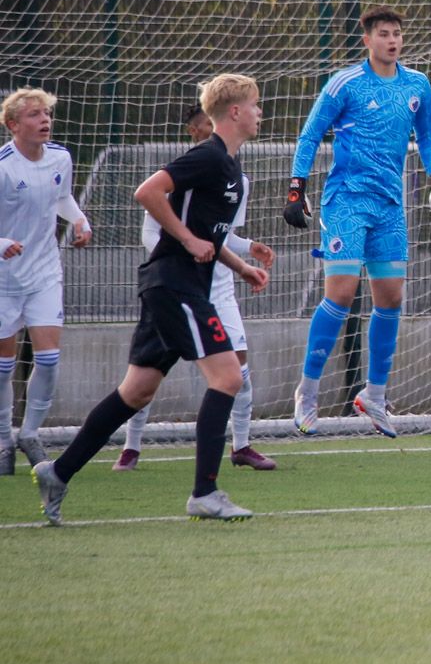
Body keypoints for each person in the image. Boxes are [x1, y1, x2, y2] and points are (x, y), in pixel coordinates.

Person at [33, 75, 269, 523]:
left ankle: (58, 473)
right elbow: (148, 192)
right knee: (228, 378)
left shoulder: (231, 168)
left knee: (136, 392)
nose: (261, 113)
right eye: (256, 105)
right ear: (234, 111)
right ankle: (205, 492)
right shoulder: (208, 157)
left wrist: (241, 267)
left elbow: (207, 235)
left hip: (175, 286)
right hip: (175, 285)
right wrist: (184, 238)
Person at [286, 7, 431, 437]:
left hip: (390, 207)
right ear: (368, 40)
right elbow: (309, 133)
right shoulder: (346, 83)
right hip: (346, 203)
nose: (392, 40)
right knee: (341, 293)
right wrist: (296, 188)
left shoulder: (418, 84)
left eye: (397, 33)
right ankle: (307, 392)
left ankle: (374, 395)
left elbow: (427, 134)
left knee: (391, 298)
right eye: (384, 34)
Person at [116, 108, 277, 472]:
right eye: (206, 124)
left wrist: (247, 250)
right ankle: (131, 446)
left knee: (236, 367)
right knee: (148, 377)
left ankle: (240, 445)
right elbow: (155, 228)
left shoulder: (238, 177)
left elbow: (219, 234)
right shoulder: (182, 171)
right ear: (197, 129)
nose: (211, 129)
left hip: (217, 285)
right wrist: (185, 245)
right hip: (178, 283)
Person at [0, 89, 92, 475]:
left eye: (47, 114)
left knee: (50, 359)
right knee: (3, 366)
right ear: (12, 125)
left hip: (44, 272)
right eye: (35, 115)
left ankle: (30, 434)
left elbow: (62, 197)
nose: (44, 121)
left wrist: (79, 219)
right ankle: (4, 440)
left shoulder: (60, 157)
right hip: (4, 278)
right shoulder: (3, 166)